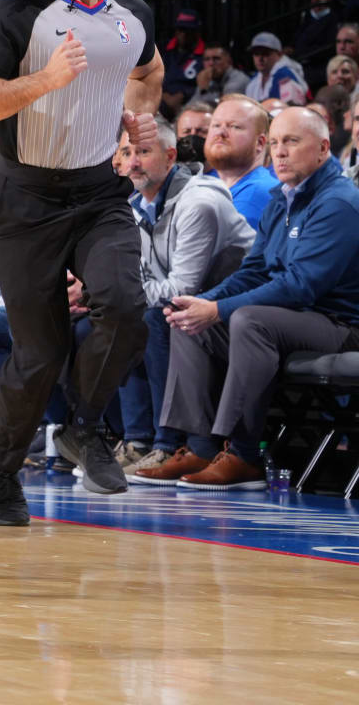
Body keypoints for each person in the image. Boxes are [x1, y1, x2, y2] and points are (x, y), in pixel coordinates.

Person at [0, 0, 164, 525]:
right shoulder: (18, 11)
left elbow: (148, 71)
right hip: (25, 197)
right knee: (39, 354)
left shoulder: (131, 15)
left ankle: (83, 426)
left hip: (98, 193)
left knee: (128, 307)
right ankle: (1, 460)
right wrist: (44, 80)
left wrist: (140, 118)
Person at [149, 108, 359, 489]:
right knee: (188, 319)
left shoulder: (339, 202)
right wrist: (204, 303)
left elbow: (301, 286)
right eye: (275, 142)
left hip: (339, 324)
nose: (279, 152)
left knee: (249, 319)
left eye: (292, 142)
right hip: (292, 318)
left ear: (324, 148)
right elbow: (255, 269)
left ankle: (244, 455)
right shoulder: (282, 197)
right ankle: (200, 447)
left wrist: (219, 309)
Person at [118, 120, 254, 478]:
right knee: (116, 319)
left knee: (154, 317)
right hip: (191, 308)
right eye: (127, 152)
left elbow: (182, 288)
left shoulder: (198, 203)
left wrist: (119, 295)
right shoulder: (132, 205)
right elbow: (140, 278)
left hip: (238, 309)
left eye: (144, 152)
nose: (133, 162)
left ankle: (169, 444)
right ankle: (139, 441)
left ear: (170, 157)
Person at [204, 95, 280, 229]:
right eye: (216, 125)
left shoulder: (255, 194)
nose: (220, 132)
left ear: (260, 143)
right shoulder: (210, 184)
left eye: (234, 126)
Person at [246, 31, 307, 105]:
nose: (260, 58)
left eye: (265, 53)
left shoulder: (286, 75)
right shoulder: (254, 81)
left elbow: (292, 108)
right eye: (256, 54)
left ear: (279, 54)